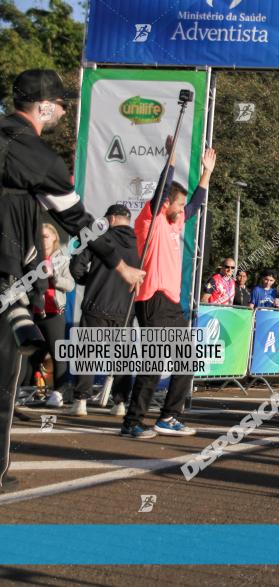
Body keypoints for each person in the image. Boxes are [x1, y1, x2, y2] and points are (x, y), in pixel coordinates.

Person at [0, 69, 144, 489]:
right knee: (4, 374)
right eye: (61, 102)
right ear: (44, 106)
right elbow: (80, 221)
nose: (64, 109)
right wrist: (120, 264)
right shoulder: (38, 157)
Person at [121, 144, 216, 439]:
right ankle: (132, 422)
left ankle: (168, 417)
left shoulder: (176, 222)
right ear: (165, 204)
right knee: (154, 362)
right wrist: (171, 160)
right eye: (177, 205)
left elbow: (197, 203)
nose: (181, 210)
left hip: (171, 302)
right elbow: (163, 190)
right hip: (152, 298)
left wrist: (206, 173)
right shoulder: (152, 221)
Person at [68, 205, 139, 417]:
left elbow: (76, 267)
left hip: (96, 304)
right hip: (125, 308)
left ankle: (80, 401)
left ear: (113, 218)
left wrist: (91, 282)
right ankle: (120, 403)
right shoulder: (140, 242)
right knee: (122, 358)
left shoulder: (99, 237)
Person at [26, 223, 74, 408]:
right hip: (33, 311)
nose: (42, 240)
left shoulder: (61, 258)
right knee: (30, 353)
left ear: (54, 237)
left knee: (57, 353)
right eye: (40, 236)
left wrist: (54, 276)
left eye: (46, 236)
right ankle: (28, 389)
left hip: (53, 312)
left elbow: (69, 285)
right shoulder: (31, 256)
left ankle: (58, 392)